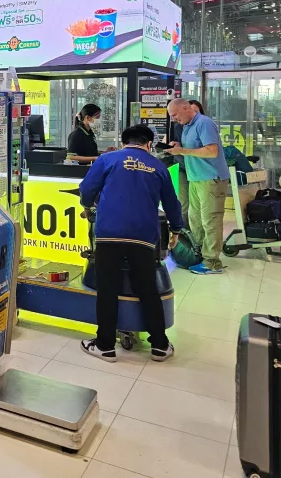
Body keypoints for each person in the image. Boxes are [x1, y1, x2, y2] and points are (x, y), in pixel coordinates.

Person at [78, 124, 183, 362]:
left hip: (109, 234)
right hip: (143, 236)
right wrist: (176, 229)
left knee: (107, 289)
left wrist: (87, 205)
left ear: (124, 141)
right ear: (148, 144)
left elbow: (86, 189)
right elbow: (172, 203)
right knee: (148, 289)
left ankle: (105, 345)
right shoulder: (158, 166)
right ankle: (159, 345)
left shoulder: (108, 159)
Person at [167, 98, 231, 274]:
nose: (174, 119)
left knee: (210, 220)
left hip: (211, 179)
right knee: (195, 219)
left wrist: (183, 151)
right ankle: (201, 254)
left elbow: (212, 151)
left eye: (175, 115)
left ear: (186, 108)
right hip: (195, 178)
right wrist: (178, 146)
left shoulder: (204, 123)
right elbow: (193, 148)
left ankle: (212, 263)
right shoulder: (187, 126)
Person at [167, 100, 204, 230]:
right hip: (183, 168)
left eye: (196, 111)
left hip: (199, 171)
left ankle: (196, 235)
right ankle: (184, 234)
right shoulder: (179, 128)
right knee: (184, 204)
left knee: (199, 207)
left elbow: (211, 150)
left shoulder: (204, 125)